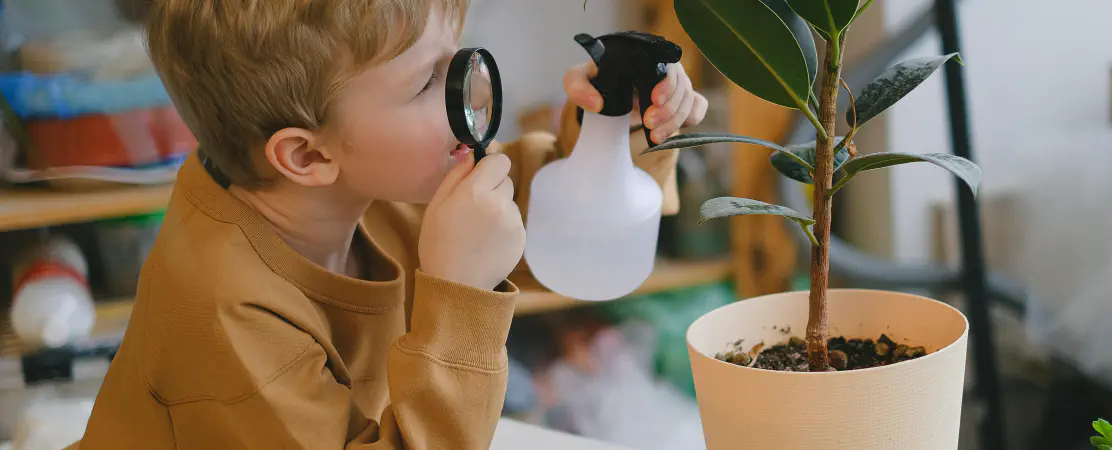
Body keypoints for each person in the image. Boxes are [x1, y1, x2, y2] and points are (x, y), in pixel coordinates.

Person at [73, 0, 708, 448]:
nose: (474, 94)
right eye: (429, 82)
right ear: (307, 155)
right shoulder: (222, 310)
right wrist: (458, 300)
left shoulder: (360, 177)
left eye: (456, 61)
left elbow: (545, 219)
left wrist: (617, 126)